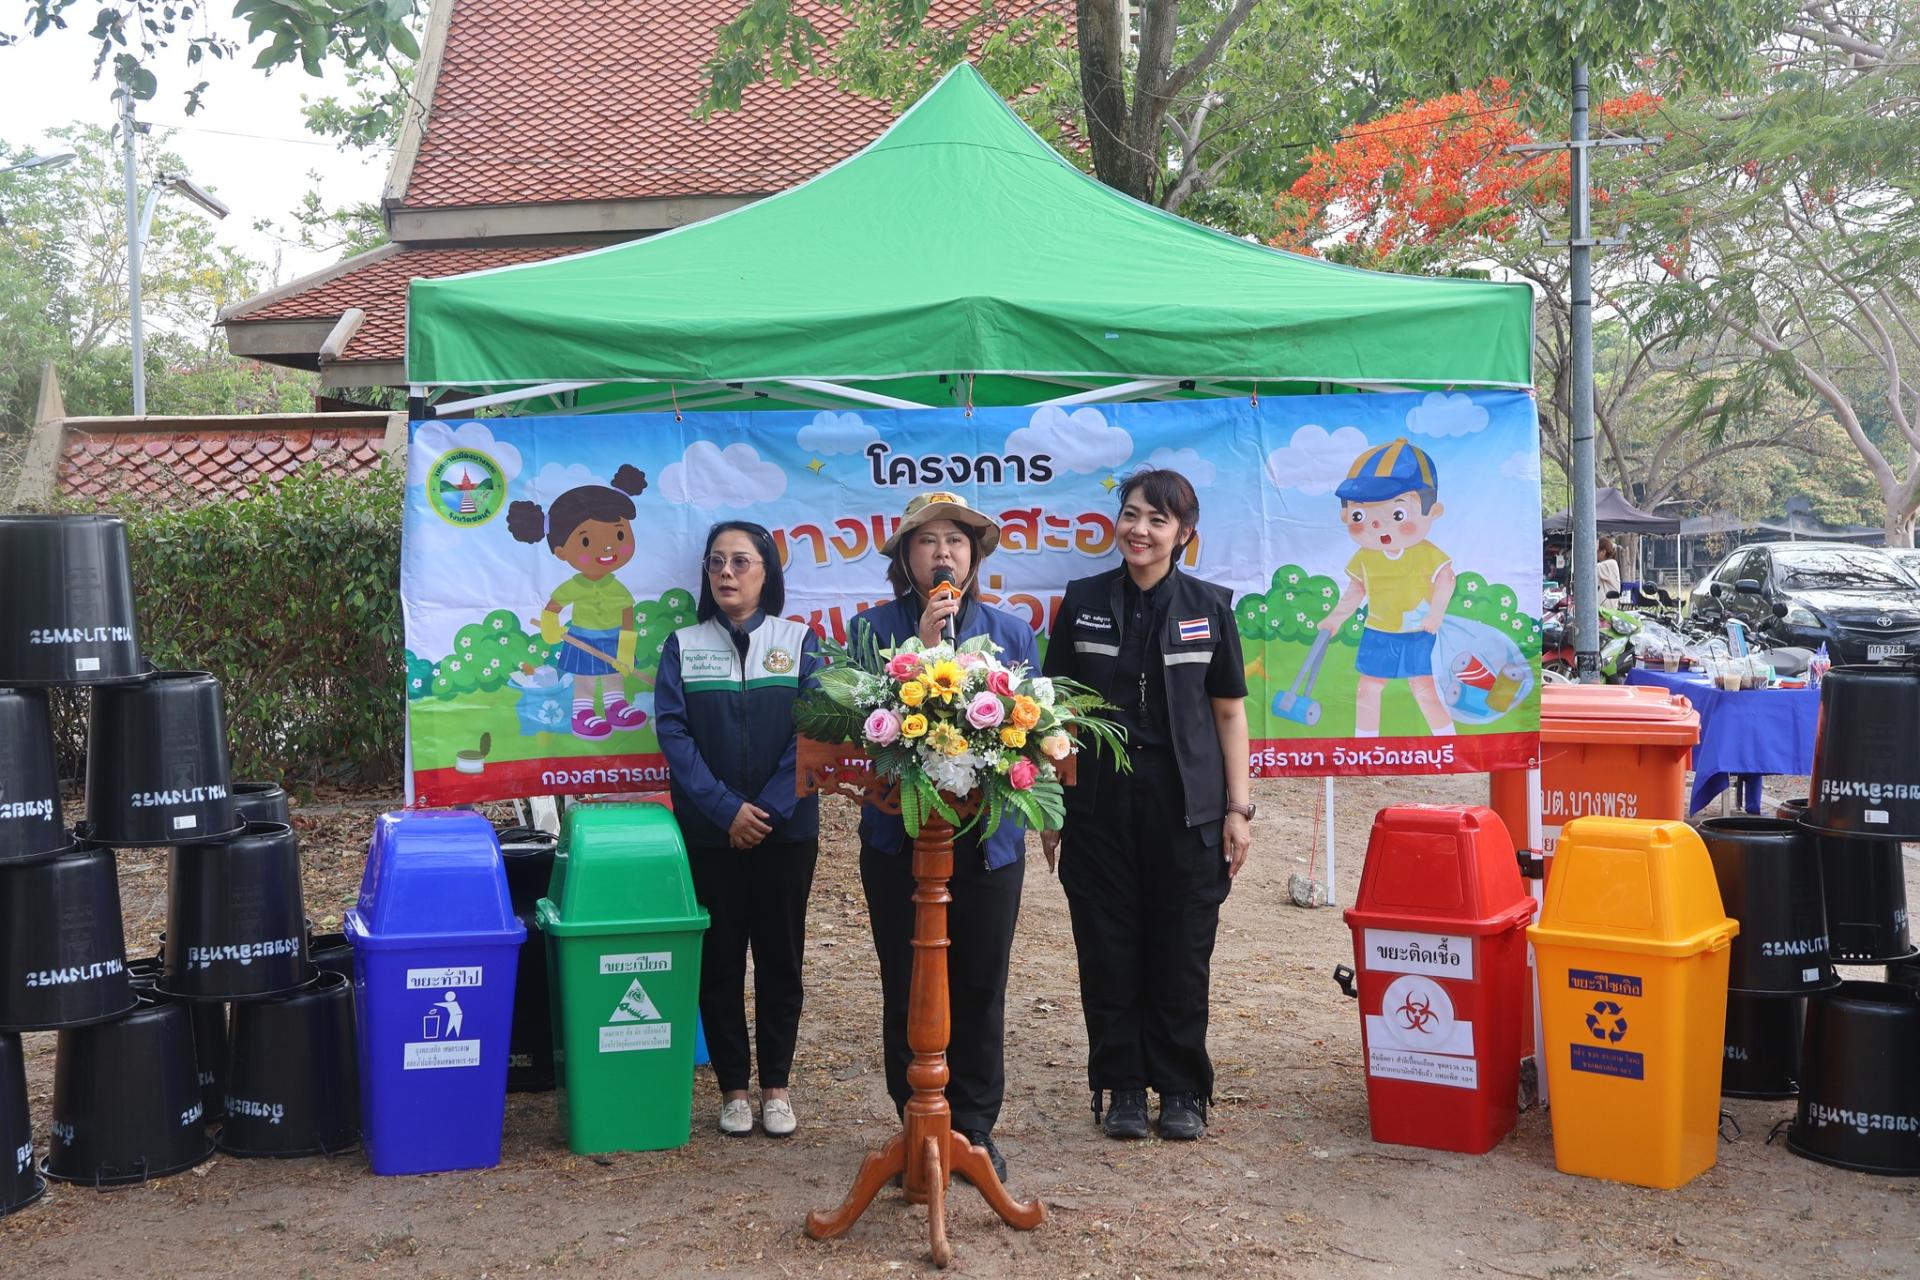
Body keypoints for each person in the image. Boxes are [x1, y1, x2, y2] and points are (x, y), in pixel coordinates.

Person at [1040, 469, 1252, 1142]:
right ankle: (1122, 1087)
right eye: (1131, 514)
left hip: (1186, 807)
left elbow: (1228, 712)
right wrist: (1053, 806)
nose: (1140, 530)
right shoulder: (1082, 601)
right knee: (1107, 947)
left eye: (1158, 520)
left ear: (1184, 534)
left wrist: (1238, 809)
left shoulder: (1209, 606)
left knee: (1181, 950)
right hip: (1097, 805)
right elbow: (1054, 713)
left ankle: (1183, 1088)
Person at [850, 491, 1036, 1186]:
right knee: (906, 980)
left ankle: (974, 1128)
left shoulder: (1012, 633)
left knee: (981, 982)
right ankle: (914, 1121)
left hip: (988, 842)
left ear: (974, 556)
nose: (943, 553)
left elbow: (1035, 732)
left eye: (956, 541)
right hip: (899, 840)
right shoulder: (871, 630)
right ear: (906, 558)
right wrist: (925, 651)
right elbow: (852, 731)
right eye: (927, 541)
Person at [654, 521, 821, 1138]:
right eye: (716, 562)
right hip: (711, 834)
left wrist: (766, 811)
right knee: (719, 962)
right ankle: (733, 1090)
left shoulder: (799, 641)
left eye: (741, 561)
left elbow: (813, 730)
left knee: (781, 960)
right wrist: (726, 811)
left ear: (766, 572)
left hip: (786, 831)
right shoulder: (683, 645)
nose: (726, 572)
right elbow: (674, 733)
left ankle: (776, 1087)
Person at [1319, 438, 1455, 738]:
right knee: (1368, 687)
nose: (1378, 525)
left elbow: (1447, 579)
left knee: (1423, 687)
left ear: (1433, 512)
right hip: (1378, 632)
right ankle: (1366, 744)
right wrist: (1336, 618)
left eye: (1397, 514)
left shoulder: (1427, 553)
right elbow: (1356, 590)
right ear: (1346, 516)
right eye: (1360, 516)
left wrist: (1436, 613)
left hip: (1417, 631)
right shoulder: (1365, 557)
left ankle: (1446, 740)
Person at [507, 464, 652, 739]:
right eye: (586, 542)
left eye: (619, 535)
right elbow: (553, 608)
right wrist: (551, 628)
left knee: (614, 676)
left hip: (613, 638)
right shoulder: (574, 586)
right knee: (586, 679)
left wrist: (625, 650)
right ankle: (583, 712)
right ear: (562, 551)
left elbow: (627, 616)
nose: (607, 547)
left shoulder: (618, 588)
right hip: (582, 638)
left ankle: (616, 706)